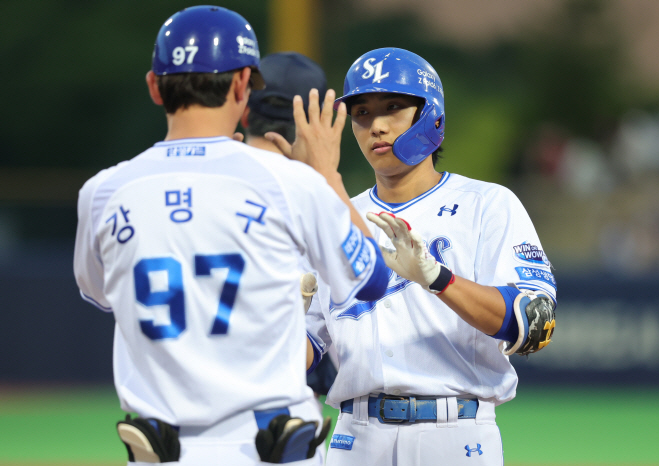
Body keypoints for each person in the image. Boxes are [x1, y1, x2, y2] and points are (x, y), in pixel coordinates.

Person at [72, 7, 390, 466]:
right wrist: (326, 175)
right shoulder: (289, 182)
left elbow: (100, 294)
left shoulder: (104, 192)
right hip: (270, 446)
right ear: (243, 86)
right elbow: (374, 280)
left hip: (160, 449)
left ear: (154, 86)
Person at [300, 48, 557, 466]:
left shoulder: (486, 204)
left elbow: (536, 322)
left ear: (430, 114)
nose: (376, 126)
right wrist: (281, 320)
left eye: (394, 107)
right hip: (355, 438)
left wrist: (440, 279)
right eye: (362, 112)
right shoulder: (336, 216)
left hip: (455, 434)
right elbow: (305, 357)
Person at [240, 51, 339, 397]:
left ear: (245, 111)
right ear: (321, 121)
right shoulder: (328, 204)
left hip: (200, 391)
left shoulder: (207, 186)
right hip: (296, 400)